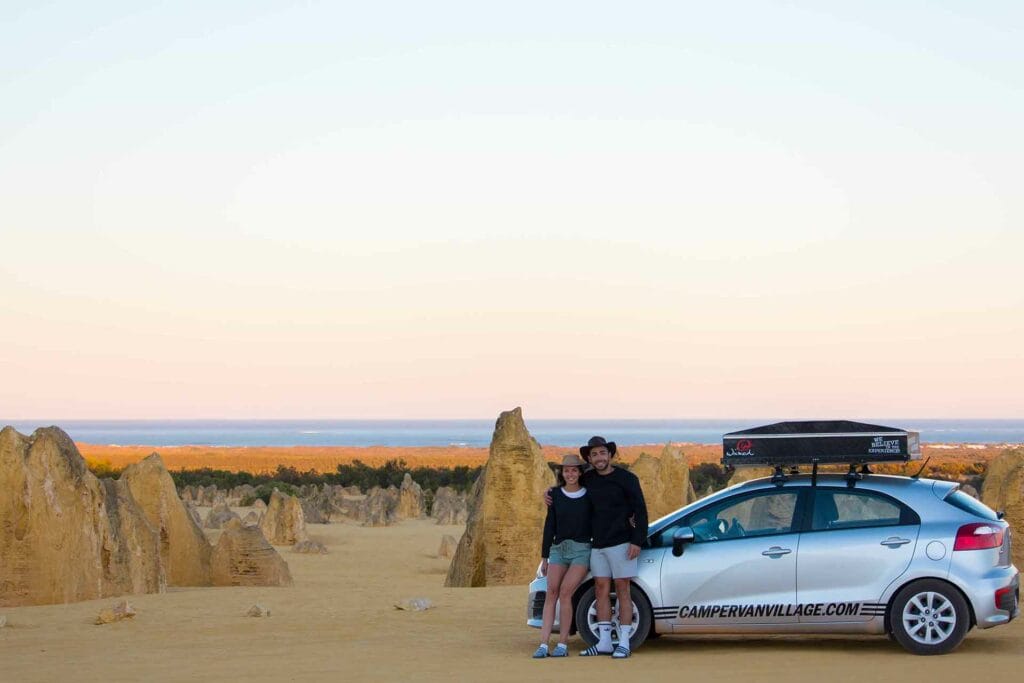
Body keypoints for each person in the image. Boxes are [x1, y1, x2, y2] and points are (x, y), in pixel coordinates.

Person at [546, 436, 648, 658]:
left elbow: (640, 510)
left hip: (622, 543)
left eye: (602, 453)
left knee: (622, 589)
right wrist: (550, 493)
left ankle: (624, 642)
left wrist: (637, 541)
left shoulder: (627, 479)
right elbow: (569, 485)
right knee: (600, 589)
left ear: (610, 455)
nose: (599, 457)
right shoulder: (589, 479)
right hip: (597, 545)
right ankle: (604, 642)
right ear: (589, 459)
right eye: (594, 454)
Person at [534, 454, 593, 658]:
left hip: (581, 550)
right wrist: (545, 557)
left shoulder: (589, 495)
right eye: (566, 470)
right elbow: (550, 525)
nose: (570, 474)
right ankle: (543, 644)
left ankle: (562, 644)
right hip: (558, 549)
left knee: (566, 593)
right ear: (562, 473)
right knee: (551, 593)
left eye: (574, 470)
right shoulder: (555, 495)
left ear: (580, 472)